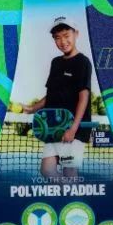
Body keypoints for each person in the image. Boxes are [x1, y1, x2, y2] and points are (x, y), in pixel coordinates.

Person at [22, 16, 92, 178]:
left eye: (66, 36)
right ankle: (68, 192)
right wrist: (32, 108)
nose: (63, 41)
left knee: (69, 171)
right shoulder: (56, 63)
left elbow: (84, 97)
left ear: (76, 34)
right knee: (47, 170)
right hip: (54, 128)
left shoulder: (83, 62)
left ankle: (72, 194)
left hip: (73, 129)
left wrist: (73, 129)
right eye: (57, 38)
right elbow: (51, 95)